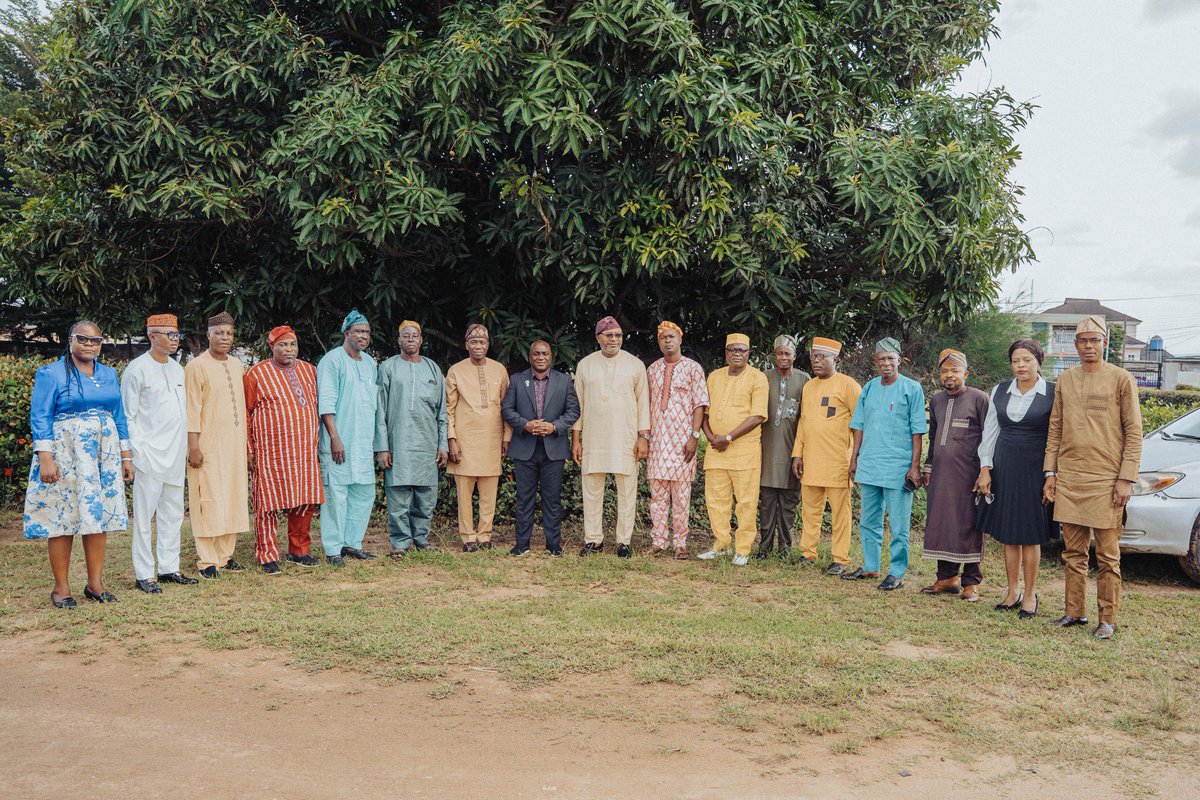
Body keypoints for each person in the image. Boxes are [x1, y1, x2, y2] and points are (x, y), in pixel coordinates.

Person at [1044, 315, 1142, 640]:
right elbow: (1055, 428)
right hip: (1070, 477)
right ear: (1076, 344)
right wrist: (1051, 472)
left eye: (1094, 340)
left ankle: (1107, 619)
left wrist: (1126, 478)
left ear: (1105, 343)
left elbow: (1134, 432)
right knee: (1072, 553)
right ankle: (1074, 612)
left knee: (1107, 556)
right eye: (1083, 340)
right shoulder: (1065, 379)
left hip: (1106, 479)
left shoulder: (1121, 379)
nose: (1089, 346)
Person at [24, 320, 134, 607]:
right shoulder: (51, 373)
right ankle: (61, 588)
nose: (89, 345)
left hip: (102, 456)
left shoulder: (109, 374)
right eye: (83, 339)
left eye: (95, 340)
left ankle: (95, 584)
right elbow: (40, 416)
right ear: (70, 340)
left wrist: (126, 456)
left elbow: (119, 416)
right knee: (62, 518)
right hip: (66, 454)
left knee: (97, 516)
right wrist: (45, 458)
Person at [975, 339, 1056, 619]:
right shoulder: (999, 390)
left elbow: (1057, 436)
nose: (1021, 366)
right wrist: (985, 469)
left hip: (1036, 469)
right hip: (1004, 466)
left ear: (1039, 362)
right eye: (1016, 361)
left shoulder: (1053, 392)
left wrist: (1052, 474)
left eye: (1027, 360)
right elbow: (990, 432)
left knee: (1030, 535)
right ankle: (1012, 592)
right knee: (1009, 534)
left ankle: (1030, 595)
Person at [843, 337, 927, 590]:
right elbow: (859, 425)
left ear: (899, 360)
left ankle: (897, 573)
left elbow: (917, 431)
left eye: (891, 358)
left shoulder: (912, 388)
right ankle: (871, 566)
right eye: (881, 359)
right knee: (868, 519)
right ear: (876, 361)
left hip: (898, 467)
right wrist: (854, 458)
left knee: (899, 525)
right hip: (869, 463)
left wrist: (914, 466)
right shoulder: (869, 388)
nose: (886, 363)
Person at [120, 313, 196, 593]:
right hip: (148, 454)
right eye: (169, 334)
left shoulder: (177, 369)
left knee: (173, 514)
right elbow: (128, 416)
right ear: (152, 336)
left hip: (175, 453)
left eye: (177, 335)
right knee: (144, 517)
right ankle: (144, 574)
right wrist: (133, 453)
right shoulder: (136, 369)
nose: (175, 340)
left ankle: (168, 568)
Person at [244, 325, 324, 575]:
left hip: (304, 451)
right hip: (270, 453)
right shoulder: (256, 373)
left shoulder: (310, 371)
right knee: (267, 504)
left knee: (304, 502)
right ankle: (267, 555)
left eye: (293, 344)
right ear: (272, 347)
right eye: (283, 345)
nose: (289, 349)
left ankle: (299, 551)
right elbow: (247, 413)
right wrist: (249, 449)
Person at [571, 316, 650, 558]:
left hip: (625, 438)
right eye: (609, 335)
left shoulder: (635, 365)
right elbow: (578, 405)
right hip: (593, 438)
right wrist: (576, 439)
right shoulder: (585, 365)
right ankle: (593, 540)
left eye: (618, 335)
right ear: (598, 338)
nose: (614, 340)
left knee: (627, 490)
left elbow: (643, 404)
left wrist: (643, 436)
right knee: (592, 490)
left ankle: (623, 541)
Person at [920, 349, 989, 602]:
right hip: (941, 475)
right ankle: (947, 578)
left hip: (970, 475)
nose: (949, 375)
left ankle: (971, 582)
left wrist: (985, 472)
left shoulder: (980, 399)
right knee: (942, 523)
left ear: (966, 373)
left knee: (969, 525)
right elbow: (934, 436)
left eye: (955, 370)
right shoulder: (937, 400)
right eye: (944, 371)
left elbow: (990, 438)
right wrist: (928, 467)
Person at [185, 312, 250, 579]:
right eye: (219, 333)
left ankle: (225, 555)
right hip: (207, 444)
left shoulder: (236, 365)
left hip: (234, 445)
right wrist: (193, 446)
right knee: (207, 499)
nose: (225, 338)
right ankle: (207, 560)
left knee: (233, 496)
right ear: (208, 335)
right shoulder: (196, 366)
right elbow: (191, 409)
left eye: (229, 334)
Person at [375, 321, 448, 556]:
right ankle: (400, 543)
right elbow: (380, 410)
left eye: (414, 336)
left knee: (426, 497)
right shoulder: (388, 367)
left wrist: (443, 445)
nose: (410, 339)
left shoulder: (433, 368)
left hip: (427, 443)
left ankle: (421, 539)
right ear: (398, 340)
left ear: (421, 340)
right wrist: (382, 447)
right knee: (398, 498)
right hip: (398, 442)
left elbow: (442, 412)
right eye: (405, 336)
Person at [501, 340, 580, 556]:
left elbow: (574, 411)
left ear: (551, 356)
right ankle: (522, 544)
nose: (541, 357)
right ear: (530, 357)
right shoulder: (517, 380)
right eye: (536, 353)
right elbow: (507, 410)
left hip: (553, 449)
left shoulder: (564, 381)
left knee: (552, 499)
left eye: (545, 353)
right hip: (524, 448)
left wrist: (554, 426)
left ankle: (553, 544)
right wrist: (525, 424)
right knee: (524, 499)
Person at [697, 333, 768, 567]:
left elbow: (758, 416)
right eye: (732, 350)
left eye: (741, 350)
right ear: (726, 353)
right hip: (716, 450)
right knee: (716, 501)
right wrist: (711, 438)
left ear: (749, 353)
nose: (737, 353)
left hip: (744, 452)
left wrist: (727, 438)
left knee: (746, 502)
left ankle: (743, 549)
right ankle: (721, 545)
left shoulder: (758, 378)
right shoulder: (714, 376)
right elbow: (704, 411)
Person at [791, 338, 861, 573]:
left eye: (822, 357)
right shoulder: (809, 386)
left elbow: (860, 425)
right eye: (814, 356)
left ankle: (840, 558)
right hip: (811, 459)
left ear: (835, 359)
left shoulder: (849, 385)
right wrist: (797, 454)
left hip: (838, 461)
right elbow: (803, 422)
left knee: (841, 513)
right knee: (810, 510)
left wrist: (856, 458)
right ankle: (808, 553)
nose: (816, 361)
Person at [317, 310, 379, 567]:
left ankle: (352, 543)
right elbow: (326, 402)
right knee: (336, 495)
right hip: (339, 441)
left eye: (367, 332)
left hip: (363, 442)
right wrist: (334, 437)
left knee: (363, 493)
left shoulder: (370, 363)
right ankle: (333, 549)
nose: (363, 336)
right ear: (346, 333)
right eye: (359, 331)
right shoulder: (332, 361)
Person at [645, 321, 709, 559]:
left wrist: (694, 436)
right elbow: (646, 405)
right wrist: (645, 437)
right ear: (659, 342)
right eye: (663, 338)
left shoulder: (693, 368)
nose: (667, 341)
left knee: (681, 498)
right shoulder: (653, 370)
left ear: (680, 339)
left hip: (683, 443)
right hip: (657, 443)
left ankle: (680, 543)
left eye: (671, 337)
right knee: (657, 497)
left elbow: (700, 404)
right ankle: (659, 541)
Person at [445, 324, 511, 552]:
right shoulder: (456, 370)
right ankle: (468, 538)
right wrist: (451, 439)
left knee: (489, 492)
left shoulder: (499, 370)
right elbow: (448, 409)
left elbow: (506, 406)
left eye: (482, 342)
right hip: (464, 441)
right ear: (466, 345)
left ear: (488, 345)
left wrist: (507, 436)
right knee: (464, 493)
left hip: (492, 439)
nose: (478, 346)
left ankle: (484, 535)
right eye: (473, 342)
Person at [757, 334, 809, 559]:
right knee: (767, 503)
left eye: (787, 353)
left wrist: (802, 452)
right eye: (779, 353)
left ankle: (785, 549)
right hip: (767, 450)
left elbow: (806, 417)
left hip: (793, 451)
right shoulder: (764, 378)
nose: (783, 357)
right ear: (774, 355)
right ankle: (764, 548)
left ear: (795, 356)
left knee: (789, 503)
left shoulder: (804, 380)